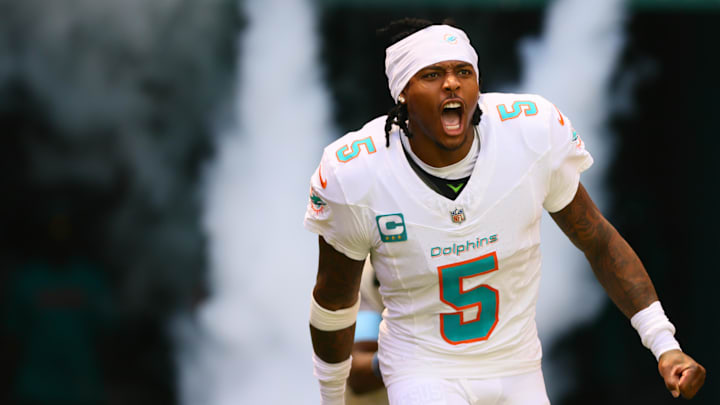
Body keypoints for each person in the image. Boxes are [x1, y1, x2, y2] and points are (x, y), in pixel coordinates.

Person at [304, 18, 705, 404]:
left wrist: (664, 345)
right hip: (423, 369)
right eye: (431, 74)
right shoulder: (356, 171)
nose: (451, 83)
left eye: (463, 71)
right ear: (402, 93)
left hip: (518, 365)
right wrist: (330, 398)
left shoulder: (530, 132)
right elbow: (334, 299)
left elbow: (598, 240)